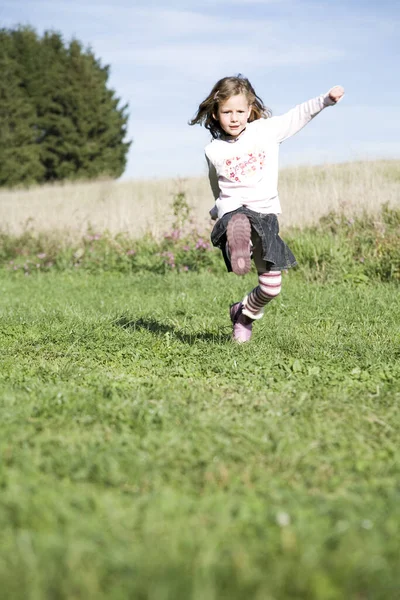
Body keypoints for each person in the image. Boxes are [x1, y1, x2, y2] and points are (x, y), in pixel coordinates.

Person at [189, 75, 344, 343]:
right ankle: (239, 242)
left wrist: (325, 101)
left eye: (240, 111)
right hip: (235, 212)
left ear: (250, 110)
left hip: (266, 218)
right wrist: (219, 209)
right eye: (227, 112)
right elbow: (216, 184)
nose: (234, 118)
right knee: (239, 221)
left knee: (271, 288)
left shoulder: (265, 131)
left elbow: (297, 116)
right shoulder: (213, 150)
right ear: (215, 114)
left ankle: (243, 314)